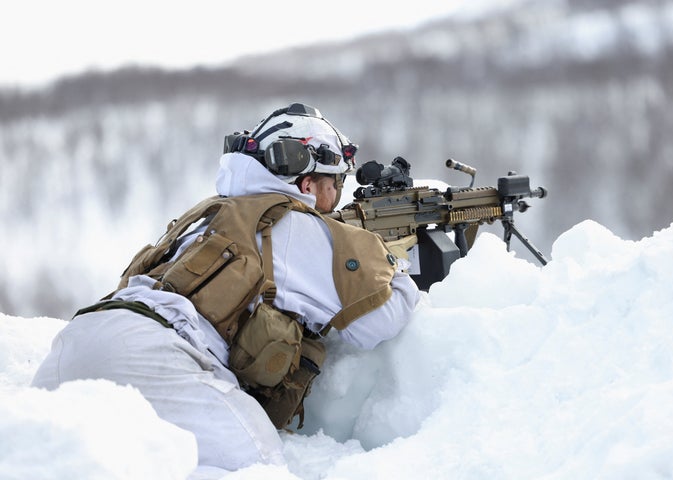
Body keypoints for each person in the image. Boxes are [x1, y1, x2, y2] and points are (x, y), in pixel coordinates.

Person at [31, 103, 420, 472]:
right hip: (152, 356)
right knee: (258, 470)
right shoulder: (296, 224)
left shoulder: (213, 213)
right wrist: (393, 260)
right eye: (335, 183)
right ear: (309, 182)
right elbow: (380, 321)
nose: (336, 197)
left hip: (76, 341)